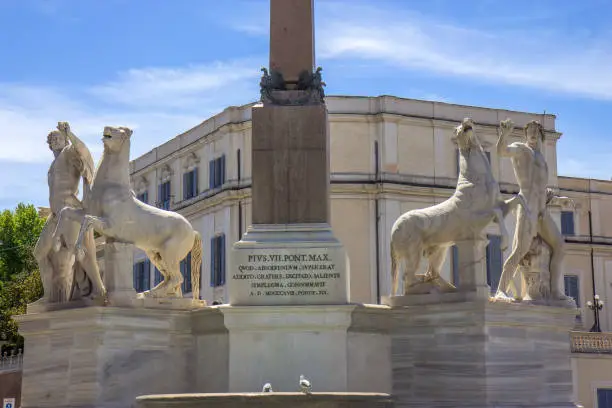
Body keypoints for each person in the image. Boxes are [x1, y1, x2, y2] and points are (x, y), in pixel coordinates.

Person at [33, 122, 105, 303]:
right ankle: (51, 295)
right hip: (56, 214)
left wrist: (71, 134)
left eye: (57, 137)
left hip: (70, 209)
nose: (54, 140)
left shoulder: (69, 153)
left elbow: (83, 151)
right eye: (51, 138)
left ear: (65, 141)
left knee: (81, 252)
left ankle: (98, 288)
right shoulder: (53, 164)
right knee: (40, 252)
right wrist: (50, 209)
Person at [495, 119, 568, 300]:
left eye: (536, 130)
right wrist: (504, 135)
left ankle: (554, 291)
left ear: (541, 134)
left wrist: (558, 200)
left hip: (541, 211)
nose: (533, 133)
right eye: (530, 130)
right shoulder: (521, 149)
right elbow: (502, 151)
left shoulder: (542, 159)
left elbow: (541, 188)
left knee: (559, 246)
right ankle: (501, 290)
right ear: (525, 133)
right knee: (519, 250)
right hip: (527, 207)